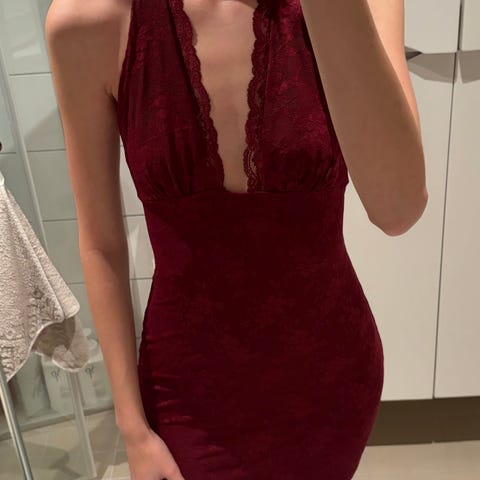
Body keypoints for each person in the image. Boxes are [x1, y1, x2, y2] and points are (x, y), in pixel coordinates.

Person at [45, 0, 427, 478]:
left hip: (330, 380)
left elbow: (397, 210)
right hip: (187, 395)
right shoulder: (87, 20)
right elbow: (101, 243)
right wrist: (131, 426)